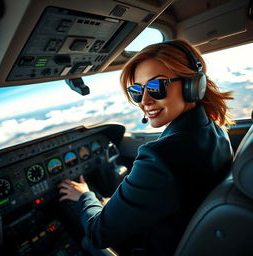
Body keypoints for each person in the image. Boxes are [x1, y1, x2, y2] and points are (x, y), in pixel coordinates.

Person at [58, 39, 234, 255]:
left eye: (156, 86)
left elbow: (99, 233)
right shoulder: (215, 130)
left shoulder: (161, 156)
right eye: (136, 91)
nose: (144, 100)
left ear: (193, 85)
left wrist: (85, 196)